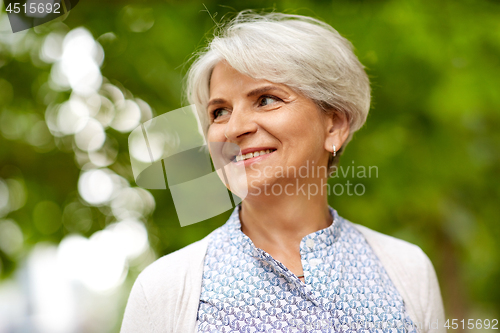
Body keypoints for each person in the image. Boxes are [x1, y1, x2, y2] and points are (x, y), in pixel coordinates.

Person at [121, 10, 446, 333]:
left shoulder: (409, 270)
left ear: (334, 126)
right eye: (219, 112)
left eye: (265, 100)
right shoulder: (163, 289)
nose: (234, 129)